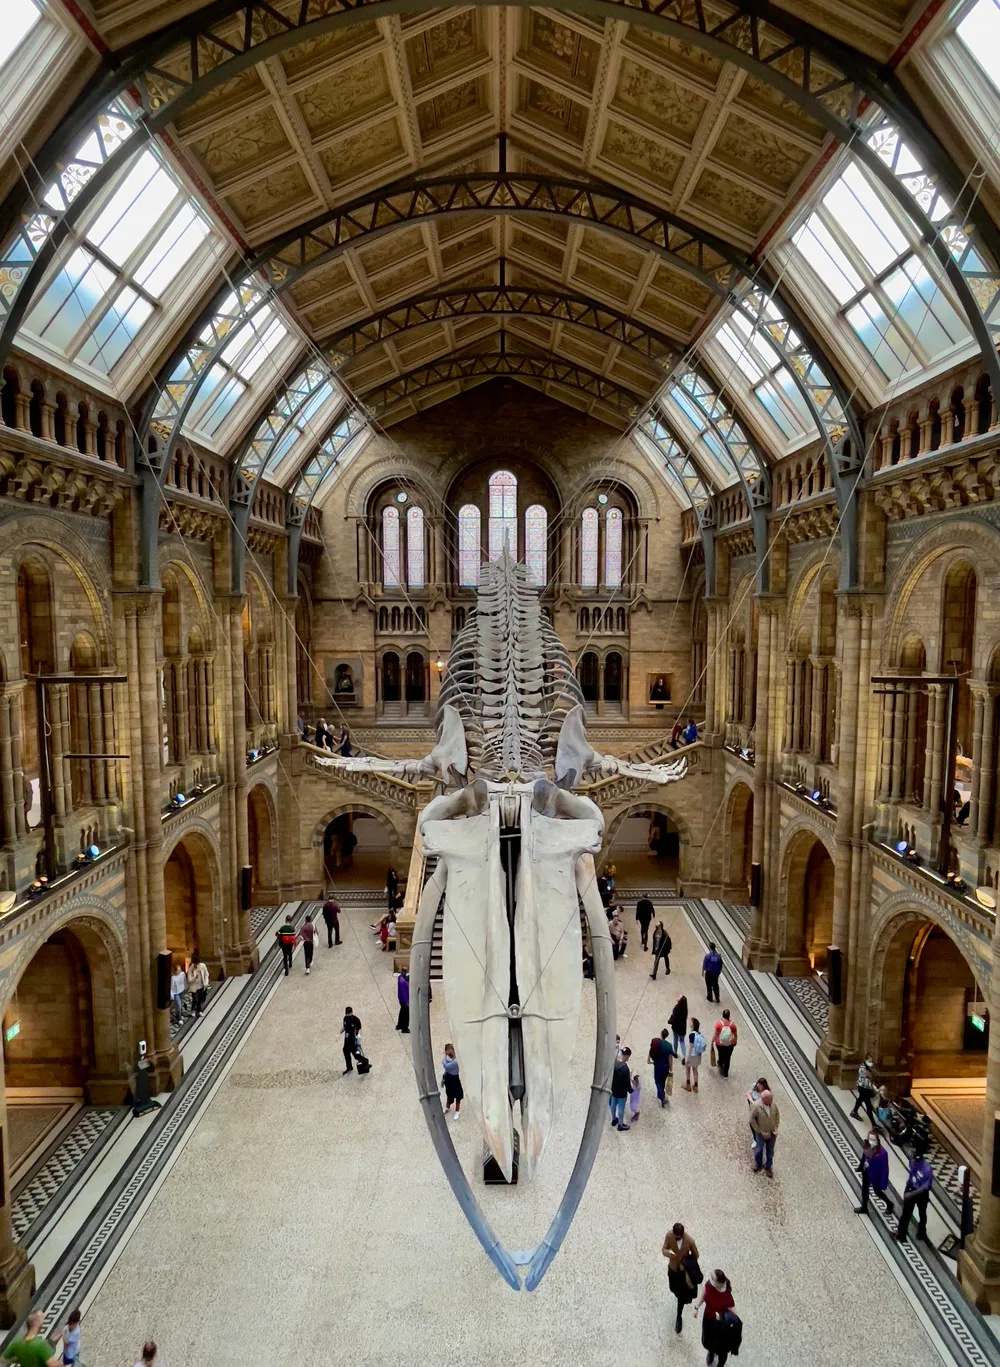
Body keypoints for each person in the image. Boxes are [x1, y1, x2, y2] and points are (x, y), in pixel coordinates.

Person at [661, 1221, 700, 1334]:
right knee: (673, 1288)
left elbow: (696, 1255)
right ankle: (680, 1299)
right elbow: (664, 1249)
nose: (676, 1239)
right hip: (673, 1268)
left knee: (680, 1296)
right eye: (675, 1237)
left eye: (678, 1237)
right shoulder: (669, 1236)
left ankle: (679, 1315)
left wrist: (686, 1262)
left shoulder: (689, 1241)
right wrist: (668, 1253)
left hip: (683, 1272)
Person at [695, 1269, 737, 1367]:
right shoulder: (709, 1285)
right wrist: (696, 1307)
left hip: (720, 1325)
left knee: (721, 1347)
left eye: (712, 1278)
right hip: (708, 1319)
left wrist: (722, 1318)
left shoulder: (727, 1297)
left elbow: (735, 1317)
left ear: (718, 1283)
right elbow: (704, 1294)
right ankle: (711, 1352)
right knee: (707, 1340)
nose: (710, 1280)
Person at [894, 1151, 934, 1243]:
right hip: (911, 1187)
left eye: (917, 1161)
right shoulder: (912, 1161)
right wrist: (908, 1184)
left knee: (922, 1213)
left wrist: (911, 1194)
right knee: (906, 1213)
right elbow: (912, 1172)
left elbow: (924, 1187)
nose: (914, 1162)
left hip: (921, 1193)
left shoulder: (927, 1169)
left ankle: (922, 1231)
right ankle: (901, 1234)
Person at [855, 1127, 893, 1218]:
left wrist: (883, 1181)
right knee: (865, 1190)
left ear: (877, 1140)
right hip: (866, 1172)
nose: (871, 1141)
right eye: (870, 1139)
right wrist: (860, 1167)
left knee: (877, 1192)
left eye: (873, 1139)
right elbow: (864, 1157)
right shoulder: (867, 1146)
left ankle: (889, 1204)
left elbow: (884, 1168)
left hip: (876, 1176)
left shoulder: (883, 1153)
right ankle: (864, 1207)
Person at [749, 1088, 780, 1177]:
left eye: (771, 1100)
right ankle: (758, 1164)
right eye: (769, 1100)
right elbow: (751, 1120)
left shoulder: (773, 1105)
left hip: (772, 1132)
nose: (771, 1102)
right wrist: (758, 1130)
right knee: (759, 1149)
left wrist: (776, 1126)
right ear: (764, 1099)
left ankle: (768, 1166)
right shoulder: (756, 1106)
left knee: (770, 1151)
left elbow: (777, 1115)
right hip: (761, 1133)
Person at [649, 1029, 675, 1105]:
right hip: (665, 1067)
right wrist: (671, 1068)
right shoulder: (669, 1046)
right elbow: (670, 1058)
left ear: (661, 1034)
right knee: (663, 1081)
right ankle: (661, 1094)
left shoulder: (657, 1043)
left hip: (657, 1065)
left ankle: (662, 1096)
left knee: (657, 1081)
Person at [610, 1047, 633, 1130]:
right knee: (621, 1108)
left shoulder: (614, 1063)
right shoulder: (625, 1068)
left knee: (613, 1105)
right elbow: (627, 1082)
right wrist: (631, 1090)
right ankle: (620, 1124)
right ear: (627, 1056)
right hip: (622, 1092)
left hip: (613, 1089)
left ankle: (613, 1119)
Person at [712, 1010, 738, 1078]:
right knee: (728, 1058)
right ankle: (726, 1073)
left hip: (720, 1044)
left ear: (722, 1015)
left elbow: (716, 1034)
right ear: (729, 1016)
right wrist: (735, 1042)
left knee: (720, 1054)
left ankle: (720, 1063)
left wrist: (712, 1041)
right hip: (730, 1044)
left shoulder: (719, 1024)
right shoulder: (732, 1025)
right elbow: (735, 1035)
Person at [851, 1056, 877, 1124]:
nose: (871, 1063)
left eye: (872, 1061)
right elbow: (870, 1077)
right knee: (868, 1106)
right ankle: (874, 1124)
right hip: (863, 1088)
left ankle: (854, 1111)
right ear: (865, 1060)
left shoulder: (868, 1068)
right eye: (870, 1061)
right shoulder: (863, 1069)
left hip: (866, 1088)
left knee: (860, 1099)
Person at [683, 1018, 706, 1092]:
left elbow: (690, 1047)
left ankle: (688, 1085)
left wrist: (687, 1058)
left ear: (693, 1025)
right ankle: (696, 1086)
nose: (689, 1023)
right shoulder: (699, 1034)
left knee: (687, 1069)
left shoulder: (692, 1035)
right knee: (695, 1070)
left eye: (691, 1022)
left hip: (692, 1055)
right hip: (698, 1055)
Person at [441, 1043, 464, 1117]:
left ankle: (457, 1111)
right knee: (449, 1094)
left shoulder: (455, 1061)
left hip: (455, 1079)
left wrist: (445, 1061)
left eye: (451, 1050)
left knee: (458, 1095)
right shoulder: (448, 1058)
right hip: (448, 1078)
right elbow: (443, 1062)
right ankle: (447, 1107)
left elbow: (446, 1066)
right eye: (448, 1050)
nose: (450, 1052)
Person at [342, 1006, 363, 1074]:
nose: (349, 1015)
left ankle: (365, 1061)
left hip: (353, 1040)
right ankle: (349, 1067)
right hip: (347, 1039)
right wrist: (339, 1032)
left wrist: (359, 1035)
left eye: (350, 1013)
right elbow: (344, 1026)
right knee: (346, 1052)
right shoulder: (345, 1018)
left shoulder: (355, 1019)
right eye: (348, 1014)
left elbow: (359, 1028)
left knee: (355, 1055)